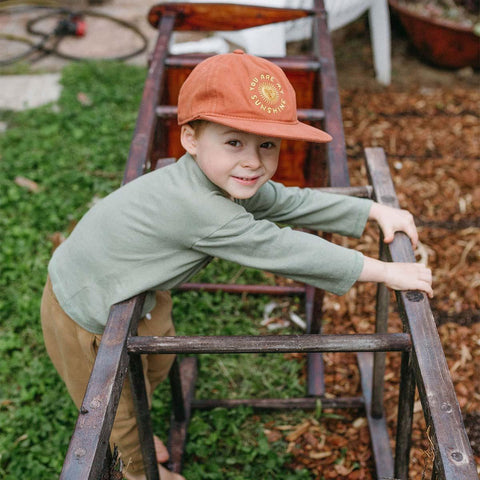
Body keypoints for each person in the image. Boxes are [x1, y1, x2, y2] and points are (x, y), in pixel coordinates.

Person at [40, 50, 432, 480]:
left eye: (267, 144)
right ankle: (139, 470)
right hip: (82, 307)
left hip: (137, 287)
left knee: (154, 363)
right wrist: (387, 271)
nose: (253, 161)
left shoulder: (219, 175)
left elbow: (288, 201)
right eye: (234, 142)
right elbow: (284, 249)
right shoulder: (200, 208)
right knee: (118, 410)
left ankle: (140, 418)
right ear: (190, 138)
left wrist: (372, 212)